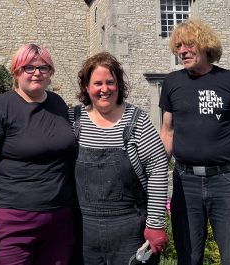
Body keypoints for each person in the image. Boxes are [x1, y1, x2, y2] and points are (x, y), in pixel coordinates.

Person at [159, 18, 230, 265]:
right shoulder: (172, 83)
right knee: (189, 257)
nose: (182, 51)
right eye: (178, 47)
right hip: (185, 183)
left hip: (226, 182)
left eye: (189, 45)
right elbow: (167, 132)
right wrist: (155, 180)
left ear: (206, 45)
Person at [0, 43, 76, 265]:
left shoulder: (58, 104)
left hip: (58, 221)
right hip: (11, 221)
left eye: (43, 68)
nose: (37, 73)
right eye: (29, 67)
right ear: (16, 72)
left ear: (51, 72)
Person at [70, 52, 169, 265]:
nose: (104, 89)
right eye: (97, 83)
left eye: (110, 82)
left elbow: (158, 169)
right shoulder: (73, 120)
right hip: (82, 228)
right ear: (86, 87)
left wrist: (155, 224)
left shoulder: (137, 122)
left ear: (119, 85)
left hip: (130, 228)